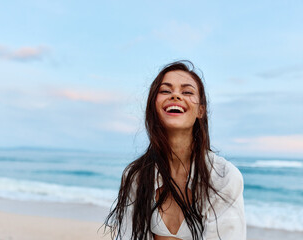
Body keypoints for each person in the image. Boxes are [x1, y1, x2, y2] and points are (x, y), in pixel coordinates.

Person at [105, 61, 246, 240]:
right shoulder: (137, 176)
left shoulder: (223, 176)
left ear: (200, 110)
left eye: (187, 92)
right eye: (165, 91)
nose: (176, 96)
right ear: (153, 107)